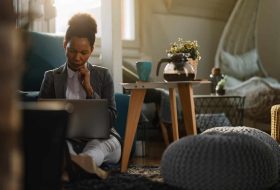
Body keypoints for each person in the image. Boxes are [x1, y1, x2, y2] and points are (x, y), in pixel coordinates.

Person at [39, 13, 121, 180]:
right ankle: (83, 167)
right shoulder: (51, 77)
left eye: (84, 52)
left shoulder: (103, 76)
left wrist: (90, 90)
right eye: (72, 51)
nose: (77, 58)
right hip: (65, 139)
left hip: (101, 139)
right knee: (59, 146)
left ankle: (70, 167)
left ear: (92, 50)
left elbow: (111, 119)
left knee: (97, 148)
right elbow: (41, 117)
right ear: (64, 45)